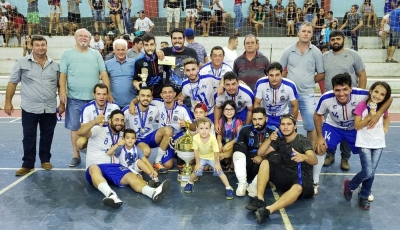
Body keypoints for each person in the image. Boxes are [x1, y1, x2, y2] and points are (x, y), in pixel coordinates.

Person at [313, 74, 393, 198]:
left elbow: (389, 98)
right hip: (333, 126)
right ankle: (314, 182)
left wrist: (378, 115)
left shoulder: (363, 94)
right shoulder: (326, 98)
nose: (341, 93)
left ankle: (364, 185)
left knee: (365, 154)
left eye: (345, 89)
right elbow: (317, 115)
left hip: (354, 128)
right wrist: (319, 136)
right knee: (320, 147)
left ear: (351, 88)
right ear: (333, 89)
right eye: (337, 90)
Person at [77, 110, 171, 208]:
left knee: (132, 176)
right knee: (93, 168)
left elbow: (134, 147)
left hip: (115, 167)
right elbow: (80, 132)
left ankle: (152, 192)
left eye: (122, 120)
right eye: (116, 120)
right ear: (109, 120)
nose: (119, 123)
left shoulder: (123, 136)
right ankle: (111, 195)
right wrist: (94, 122)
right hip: (97, 166)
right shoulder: (98, 129)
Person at [4, 35, 64, 176]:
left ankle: (45, 160)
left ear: (46, 46)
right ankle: (28, 164)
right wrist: (8, 102)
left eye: (43, 45)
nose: (40, 47)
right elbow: (12, 83)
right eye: (37, 45)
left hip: (49, 108)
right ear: (31, 46)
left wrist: (62, 103)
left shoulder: (55, 65)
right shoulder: (21, 63)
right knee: (29, 136)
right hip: (29, 108)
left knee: (47, 136)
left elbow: (60, 86)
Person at [248, 114, 317, 224]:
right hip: (287, 176)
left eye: (289, 124)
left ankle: (268, 210)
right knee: (265, 162)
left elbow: (314, 160)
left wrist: (304, 157)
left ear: (295, 126)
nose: (285, 127)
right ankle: (260, 199)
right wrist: (269, 139)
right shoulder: (280, 141)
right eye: (283, 124)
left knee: (298, 187)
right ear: (279, 127)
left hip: (303, 180)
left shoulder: (302, 140)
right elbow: (261, 153)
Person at [59, 28, 112, 168]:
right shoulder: (67, 54)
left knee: (96, 127)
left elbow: (104, 73)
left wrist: (109, 92)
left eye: (86, 36)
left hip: (93, 100)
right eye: (80, 36)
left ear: (90, 39)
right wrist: (62, 92)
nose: (83, 38)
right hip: (74, 98)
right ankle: (76, 155)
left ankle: (94, 153)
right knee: (75, 128)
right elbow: (62, 75)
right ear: (75, 38)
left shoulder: (96, 55)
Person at [322, 30, 367, 171]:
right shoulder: (324, 57)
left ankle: (345, 158)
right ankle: (330, 155)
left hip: (349, 100)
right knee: (332, 128)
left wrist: (359, 98)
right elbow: (320, 75)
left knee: (348, 127)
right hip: (331, 100)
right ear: (329, 41)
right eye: (333, 39)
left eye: (338, 39)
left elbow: (362, 74)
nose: (335, 41)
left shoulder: (354, 55)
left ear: (344, 40)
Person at [343, 81, 391, 210]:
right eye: (376, 92)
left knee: (372, 172)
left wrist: (385, 127)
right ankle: (351, 186)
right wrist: (369, 116)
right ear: (371, 91)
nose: (378, 96)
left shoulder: (382, 108)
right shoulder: (361, 106)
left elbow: (387, 117)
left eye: (382, 94)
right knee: (367, 171)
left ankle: (364, 196)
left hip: (379, 143)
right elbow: (357, 126)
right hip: (364, 143)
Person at [279, 22, 324, 148]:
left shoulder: (316, 52)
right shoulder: (288, 51)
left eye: (309, 32)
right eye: (304, 31)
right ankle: (289, 150)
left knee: (311, 125)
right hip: (289, 96)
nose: (306, 34)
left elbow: (321, 73)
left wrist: (309, 80)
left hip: (307, 94)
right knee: (288, 124)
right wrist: (287, 84)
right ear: (298, 33)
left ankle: (310, 152)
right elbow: (280, 70)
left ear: (311, 35)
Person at [123, 87, 173, 173]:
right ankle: (135, 164)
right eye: (143, 95)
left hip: (150, 137)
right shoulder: (128, 110)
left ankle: (157, 162)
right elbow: (120, 124)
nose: (146, 98)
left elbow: (170, 101)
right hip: (137, 139)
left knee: (168, 130)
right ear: (138, 97)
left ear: (151, 98)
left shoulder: (155, 109)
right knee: (146, 152)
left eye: (148, 96)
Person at [232, 107, 281, 196]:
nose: (257, 122)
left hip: (264, 163)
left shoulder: (274, 131)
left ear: (266, 119)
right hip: (248, 163)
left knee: (276, 155)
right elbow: (238, 148)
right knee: (238, 145)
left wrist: (262, 157)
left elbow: (279, 150)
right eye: (254, 119)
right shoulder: (245, 129)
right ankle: (242, 183)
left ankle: (254, 185)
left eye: (260, 119)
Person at [183, 117, 235, 199]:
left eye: (206, 128)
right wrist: (197, 163)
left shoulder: (212, 138)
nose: (204, 131)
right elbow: (196, 151)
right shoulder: (195, 138)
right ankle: (189, 183)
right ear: (197, 129)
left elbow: (216, 151)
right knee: (196, 171)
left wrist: (216, 163)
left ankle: (228, 188)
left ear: (210, 129)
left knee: (219, 171)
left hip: (212, 158)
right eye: (201, 128)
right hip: (201, 157)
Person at [158, 84, 194, 170]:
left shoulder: (182, 108)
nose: (167, 95)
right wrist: (133, 103)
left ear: (175, 94)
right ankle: (173, 154)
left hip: (179, 139)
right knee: (167, 165)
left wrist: (187, 124)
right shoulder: (157, 105)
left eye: (170, 92)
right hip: (165, 139)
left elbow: (194, 128)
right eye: (165, 93)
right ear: (161, 95)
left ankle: (180, 154)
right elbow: (143, 99)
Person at [254, 62, 299, 128]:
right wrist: (259, 119)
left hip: (283, 116)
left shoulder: (290, 86)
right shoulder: (260, 83)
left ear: (281, 74)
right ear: (267, 75)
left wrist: (292, 122)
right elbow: (257, 103)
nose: (274, 78)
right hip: (266, 116)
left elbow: (295, 106)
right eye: (271, 75)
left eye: (277, 75)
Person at [76, 83, 120, 151]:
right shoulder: (87, 108)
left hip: (109, 135)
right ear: (94, 95)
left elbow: (119, 126)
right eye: (98, 94)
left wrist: (106, 122)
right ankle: (90, 152)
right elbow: (82, 129)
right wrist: (94, 122)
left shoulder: (114, 107)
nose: (101, 97)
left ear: (107, 95)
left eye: (104, 94)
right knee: (80, 143)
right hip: (91, 135)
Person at [156, 28, 199, 95]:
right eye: (174, 38)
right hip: (170, 94)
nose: (177, 41)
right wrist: (157, 51)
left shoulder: (192, 52)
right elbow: (151, 53)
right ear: (171, 40)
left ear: (184, 39)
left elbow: (198, 68)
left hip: (189, 93)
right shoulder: (165, 51)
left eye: (180, 38)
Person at [180, 57, 221, 122]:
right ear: (184, 71)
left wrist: (221, 86)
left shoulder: (208, 78)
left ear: (198, 69)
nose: (191, 73)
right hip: (196, 115)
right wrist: (179, 100)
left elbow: (223, 79)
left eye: (193, 69)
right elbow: (182, 95)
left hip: (210, 113)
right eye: (188, 70)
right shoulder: (185, 84)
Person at [132, 33, 165, 105]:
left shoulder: (162, 58)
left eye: (151, 44)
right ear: (143, 46)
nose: (149, 48)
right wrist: (135, 83)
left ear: (155, 45)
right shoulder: (138, 61)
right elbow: (135, 79)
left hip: (160, 99)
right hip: (145, 99)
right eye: (146, 45)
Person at [105, 39, 136, 109]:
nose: (120, 52)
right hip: (113, 103)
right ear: (114, 50)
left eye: (123, 49)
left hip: (131, 103)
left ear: (127, 50)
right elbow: (105, 81)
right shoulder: (107, 64)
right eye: (118, 50)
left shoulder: (134, 63)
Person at [217, 100, 243, 172]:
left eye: (231, 109)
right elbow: (219, 134)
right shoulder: (221, 121)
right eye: (227, 109)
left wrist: (229, 144)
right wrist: (219, 143)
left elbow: (238, 137)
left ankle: (230, 163)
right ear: (223, 111)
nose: (229, 111)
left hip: (232, 143)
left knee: (234, 147)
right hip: (223, 143)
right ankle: (218, 162)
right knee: (215, 146)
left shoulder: (238, 122)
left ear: (235, 111)